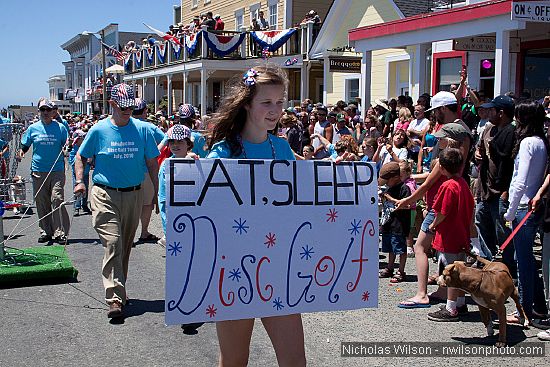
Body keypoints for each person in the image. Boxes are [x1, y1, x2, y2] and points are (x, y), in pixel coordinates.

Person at [207, 65, 305, 366]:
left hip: (278, 268)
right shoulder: (221, 154)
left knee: (295, 362)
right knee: (234, 361)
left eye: (280, 102)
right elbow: (204, 213)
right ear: (247, 103)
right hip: (234, 269)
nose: (275, 110)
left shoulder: (283, 149)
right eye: (266, 102)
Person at [74, 84, 160, 319]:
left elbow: (153, 164)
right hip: (104, 193)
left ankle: (119, 291)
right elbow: (81, 156)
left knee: (124, 246)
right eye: (123, 107)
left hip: (133, 193)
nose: (127, 111)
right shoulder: (99, 130)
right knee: (113, 242)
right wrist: (80, 181)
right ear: (111, 104)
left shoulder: (142, 130)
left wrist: (157, 194)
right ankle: (114, 297)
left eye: (131, 107)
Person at [397, 91, 472, 308]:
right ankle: (445, 293)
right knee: (447, 249)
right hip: (446, 198)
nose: (434, 116)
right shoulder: (461, 131)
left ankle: (423, 294)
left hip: (441, 201)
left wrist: (408, 198)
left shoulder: (453, 139)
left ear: (443, 109)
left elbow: (430, 181)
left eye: (436, 110)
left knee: (421, 246)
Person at [503, 100, 549, 325]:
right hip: (533, 205)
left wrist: (510, 212)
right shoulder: (541, 141)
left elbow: (520, 180)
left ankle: (524, 310)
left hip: (522, 206)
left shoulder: (527, 142)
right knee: (527, 260)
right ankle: (538, 307)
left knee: (522, 261)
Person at [426, 148, 474, 321]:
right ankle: (460, 303)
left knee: (451, 272)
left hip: (449, 235)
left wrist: (433, 224)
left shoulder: (447, 186)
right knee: (460, 271)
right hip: (461, 233)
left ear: (442, 167)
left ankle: (450, 308)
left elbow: (442, 211)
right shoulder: (462, 183)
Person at [19, 98, 69, 244]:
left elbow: (66, 144)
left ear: (52, 111)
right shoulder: (33, 128)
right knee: (42, 201)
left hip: (57, 169)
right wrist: (22, 151)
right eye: (43, 110)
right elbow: (25, 144)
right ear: (39, 111)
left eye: (48, 110)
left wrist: (67, 149)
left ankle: (60, 232)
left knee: (57, 199)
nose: (45, 112)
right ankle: (46, 231)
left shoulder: (60, 127)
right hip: (39, 170)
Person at [474, 96, 516, 269]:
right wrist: (478, 152)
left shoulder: (512, 133)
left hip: (501, 190)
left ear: (501, 113)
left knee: (503, 231)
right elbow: (479, 147)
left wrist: (506, 190)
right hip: (485, 187)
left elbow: (510, 164)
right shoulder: (488, 129)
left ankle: (508, 268)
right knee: (481, 223)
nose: (488, 113)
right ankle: (488, 263)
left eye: (491, 110)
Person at [132, 98, 165, 244]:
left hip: (129, 170)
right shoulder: (150, 127)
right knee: (147, 204)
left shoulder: (126, 125)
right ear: (145, 111)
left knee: (131, 204)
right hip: (148, 170)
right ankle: (144, 232)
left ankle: (129, 234)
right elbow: (165, 141)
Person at [378, 162, 411, 283]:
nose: (386, 183)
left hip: (399, 224)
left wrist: (389, 198)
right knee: (390, 247)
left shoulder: (404, 188)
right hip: (388, 223)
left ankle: (401, 271)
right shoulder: (389, 188)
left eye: (387, 180)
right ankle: (390, 267)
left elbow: (406, 205)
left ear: (396, 177)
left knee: (400, 249)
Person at [68, 129, 91, 215]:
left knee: (86, 188)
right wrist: (78, 160)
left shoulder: (86, 147)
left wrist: (90, 159)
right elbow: (71, 160)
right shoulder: (74, 148)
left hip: (86, 171)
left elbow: (91, 156)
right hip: (76, 173)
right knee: (77, 189)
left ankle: (84, 205)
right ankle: (76, 206)